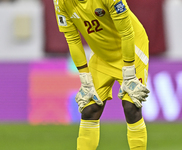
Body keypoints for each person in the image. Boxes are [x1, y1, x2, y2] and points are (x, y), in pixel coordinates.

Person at [53, 0, 150, 149]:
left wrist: (129, 73)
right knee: (89, 110)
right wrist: (85, 79)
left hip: (132, 50)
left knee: (131, 107)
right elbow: (72, 38)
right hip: (102, 55)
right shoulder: (60, 2)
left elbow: (127, 32)